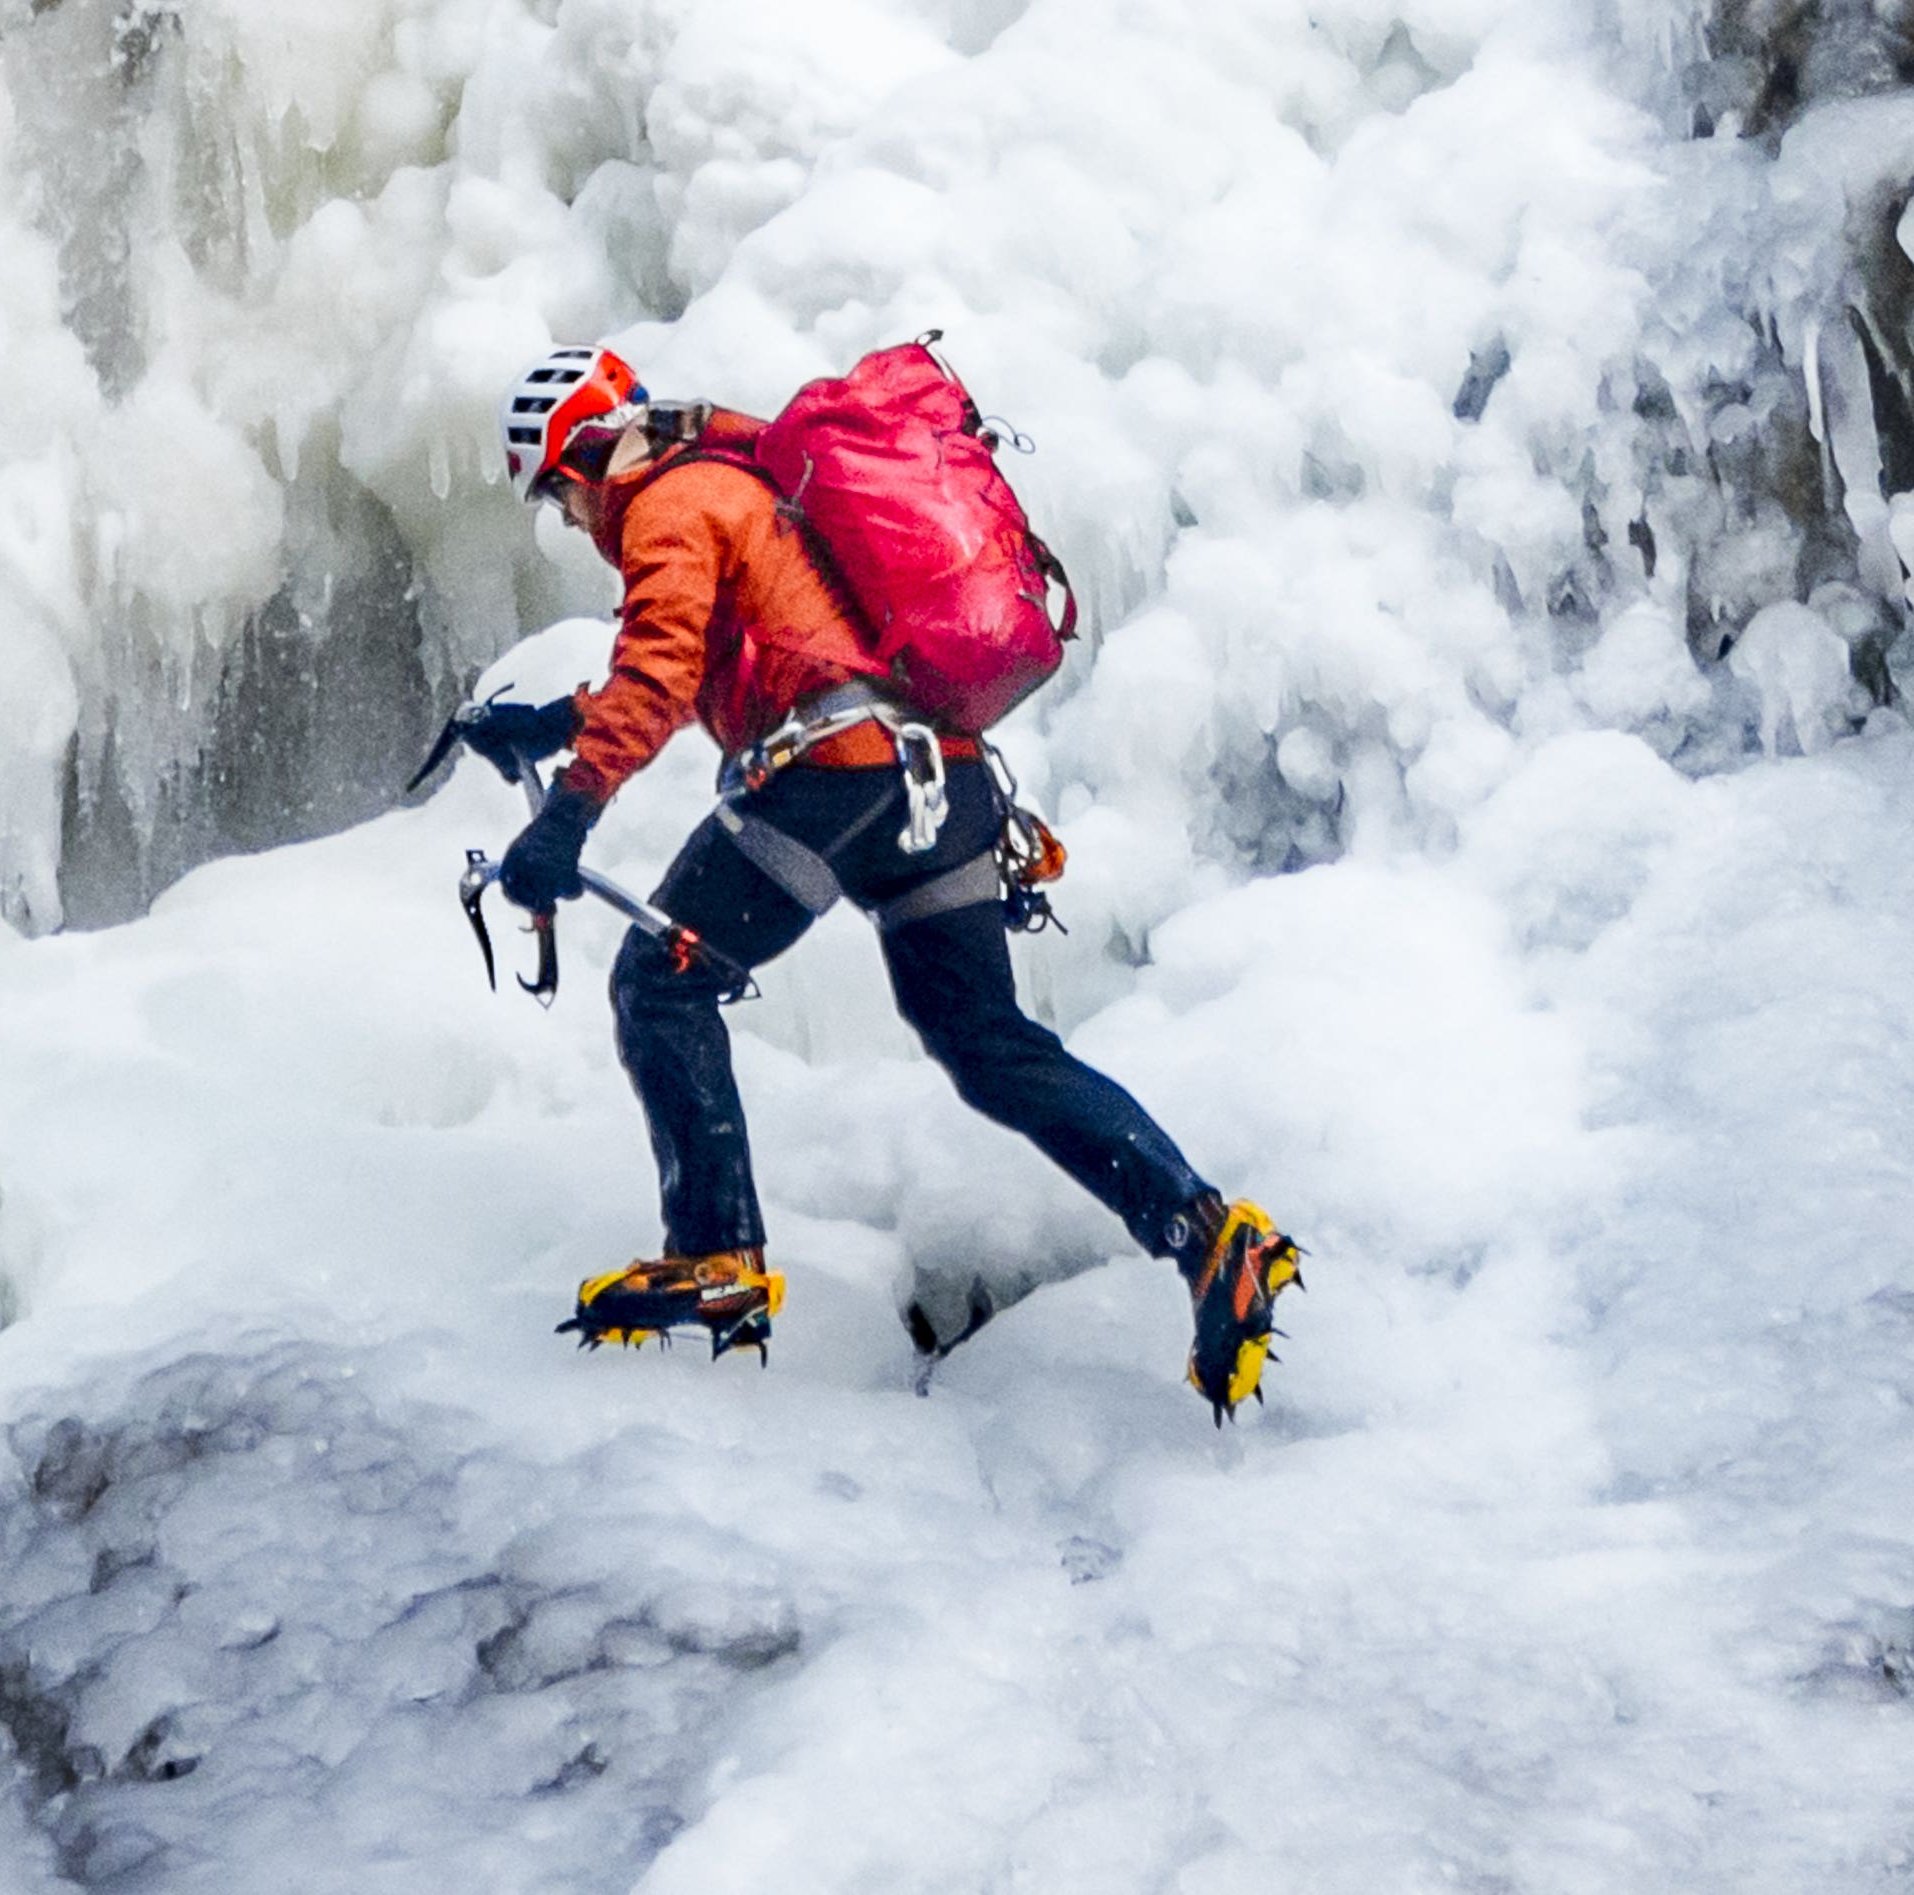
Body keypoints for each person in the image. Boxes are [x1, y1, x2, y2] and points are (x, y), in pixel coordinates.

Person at [474, 341, 1302, 1412]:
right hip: (940, 783)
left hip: (832, 779)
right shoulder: (740, 487)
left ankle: (716, 1257)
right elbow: (723, 658)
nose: (570, 520)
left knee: (658, 983)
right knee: (990, 1046)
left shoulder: (669, 502)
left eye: (557, 491)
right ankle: (1205, 1233)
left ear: (585, 452)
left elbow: (661, 665)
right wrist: (553, 724)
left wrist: (570, 814)